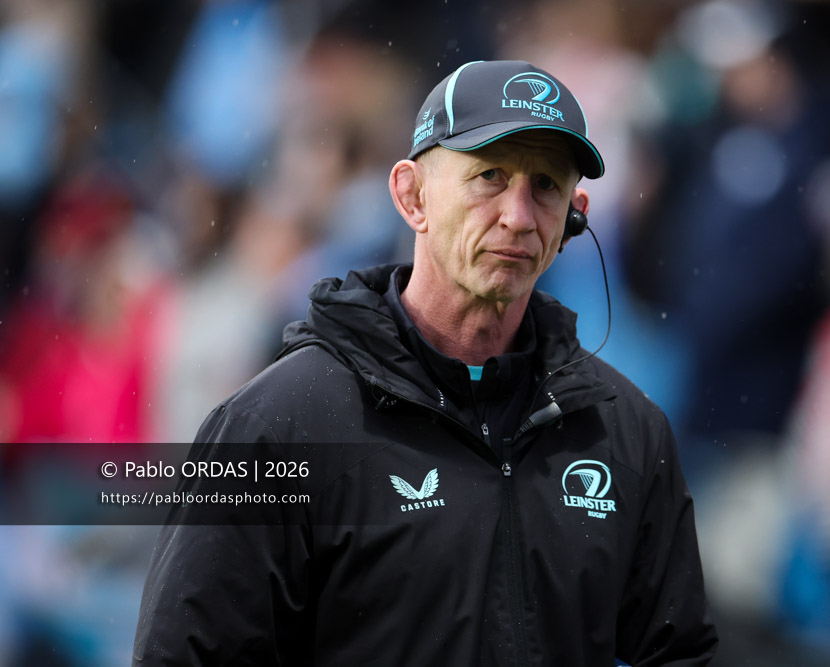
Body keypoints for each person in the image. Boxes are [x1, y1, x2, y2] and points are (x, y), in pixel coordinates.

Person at [133, 60, 718, 666]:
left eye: (545, 185)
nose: (518, 217)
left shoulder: (624, 431)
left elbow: (678, 655)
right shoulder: (276, 424)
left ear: (576, 214)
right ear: (412, 195)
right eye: (489, 175)